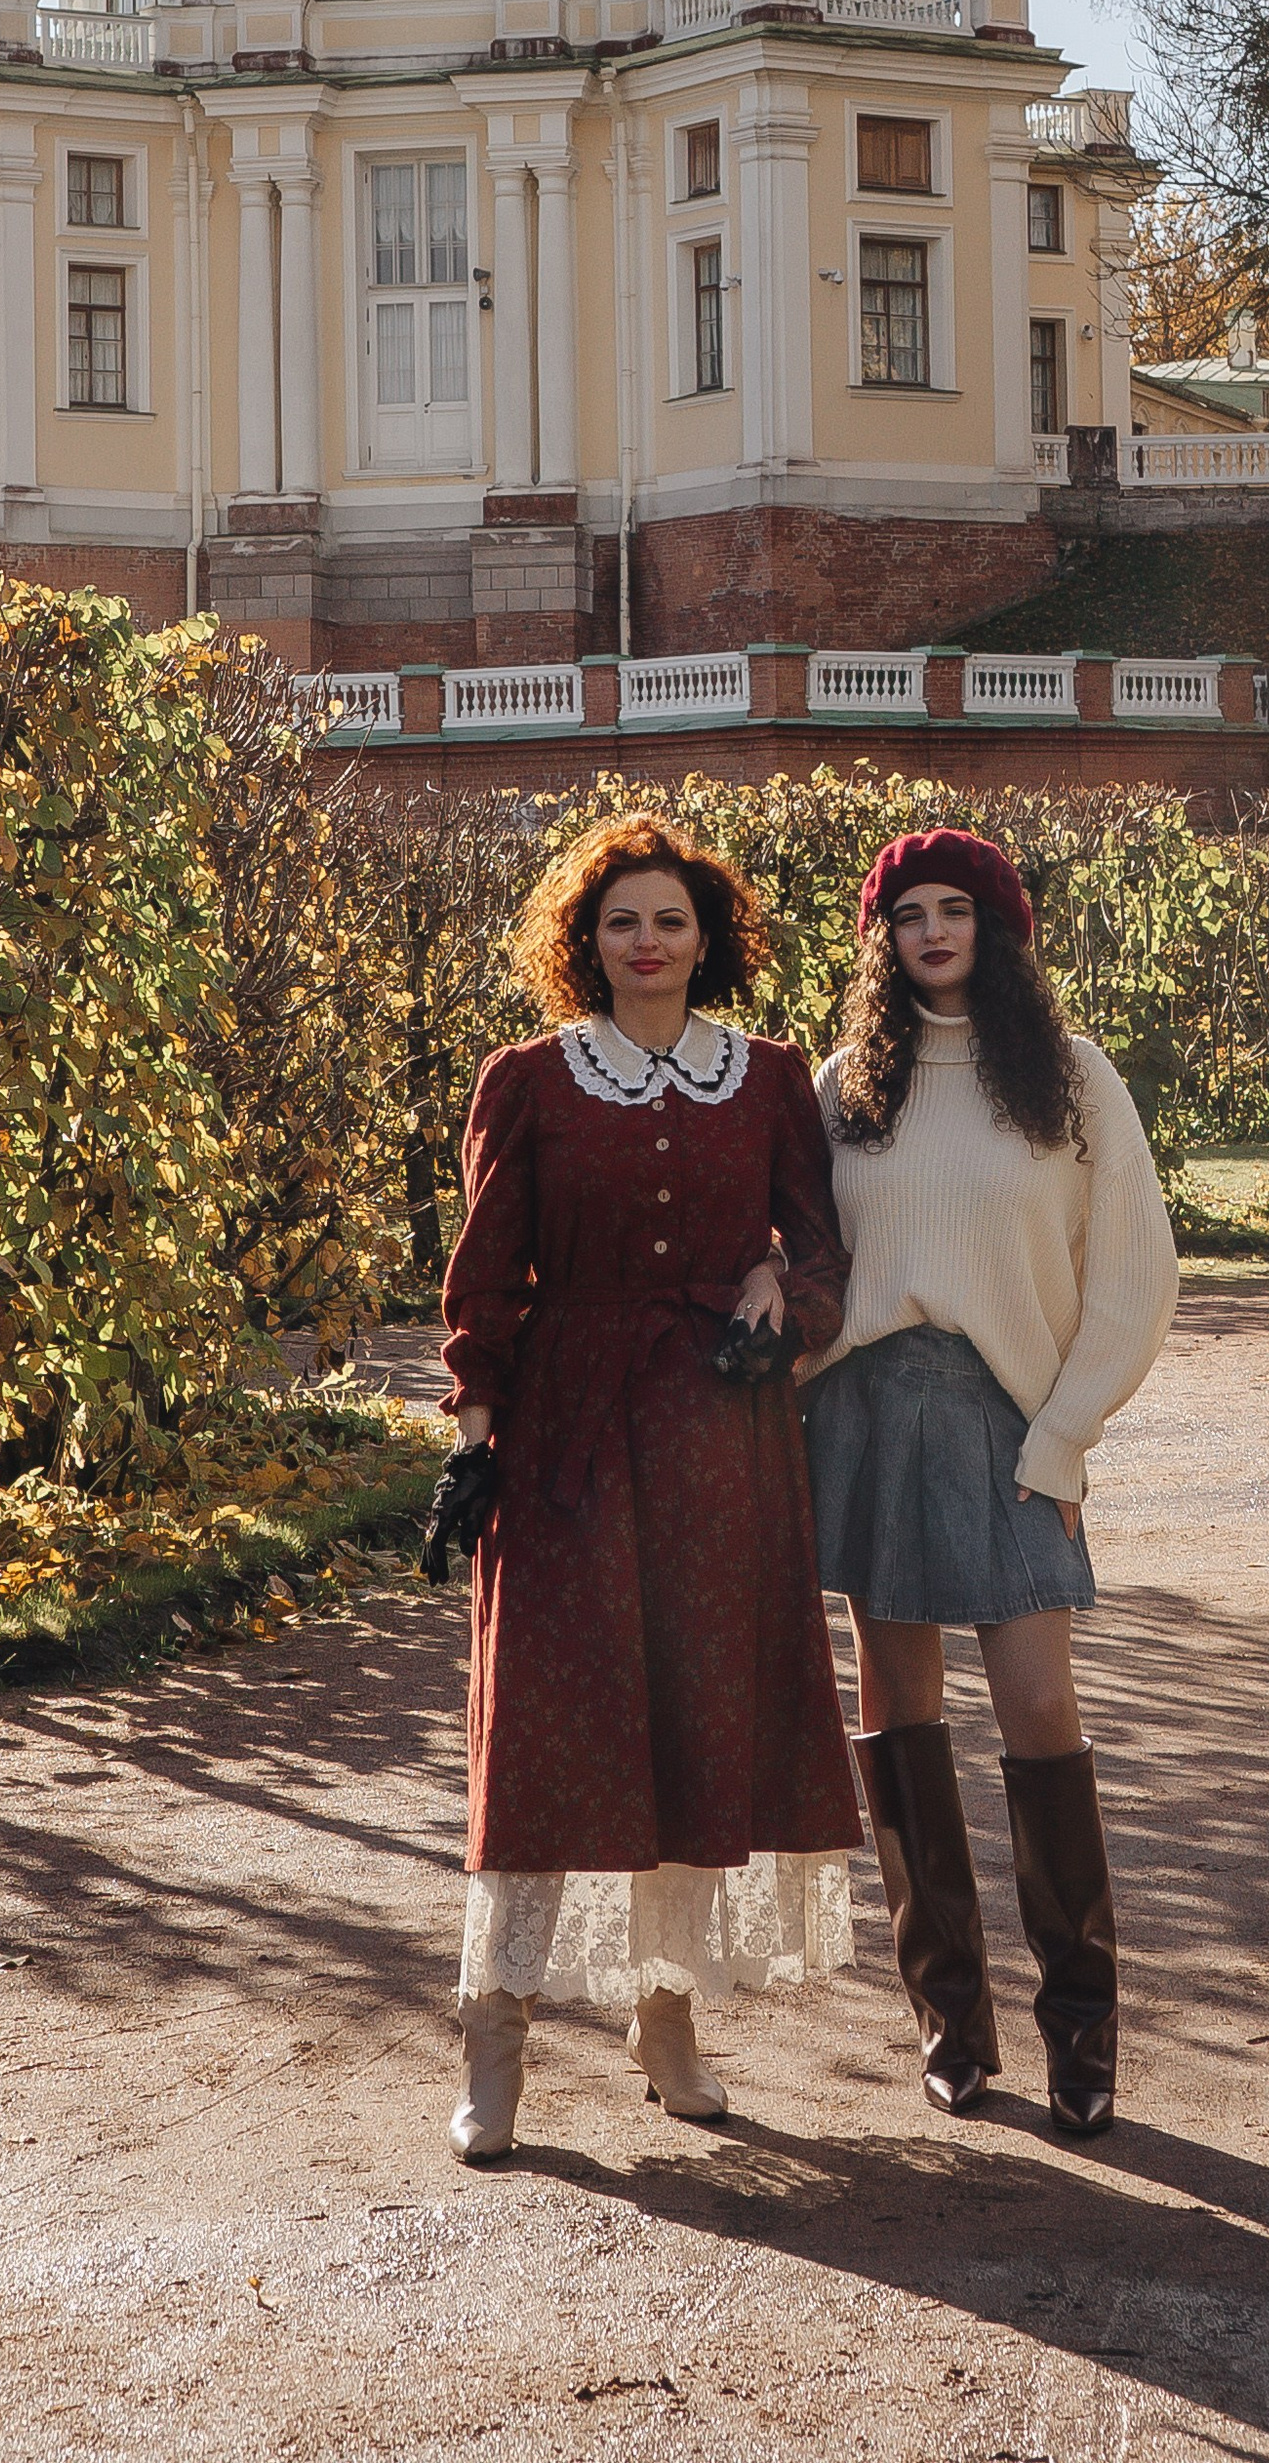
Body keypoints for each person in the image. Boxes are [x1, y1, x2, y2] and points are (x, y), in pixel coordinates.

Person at [427, 811, 861, 2164]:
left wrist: (775, 1286)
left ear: (706, 936)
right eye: (624, 922)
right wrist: (475, 1437)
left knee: (694, 1718)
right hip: (564, 1429)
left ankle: (665, 2022)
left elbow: (824, 1252)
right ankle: (493, 2038)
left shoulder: (773, 1074)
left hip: (718, 1441)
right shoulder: (531, 1080)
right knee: (546, 1731)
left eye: (671, 920)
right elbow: (485, 1275)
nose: (650, 942)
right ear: (587, 942)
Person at [804, 826, 1179, 2134]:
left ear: (998, 925)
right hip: (863, 1420)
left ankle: (1083, 2035)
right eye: (905, 913)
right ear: (881, 939)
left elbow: (1136, 1272)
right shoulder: (846, 1085)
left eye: (954, 907)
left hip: (1009, 1427)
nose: (930, 930)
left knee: (1035, 1707)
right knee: (898, 1708)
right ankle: (949, 2020)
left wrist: (1065, 1436)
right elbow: (800, 1266)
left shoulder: (1070, 1081)